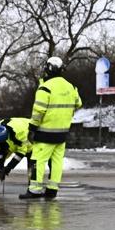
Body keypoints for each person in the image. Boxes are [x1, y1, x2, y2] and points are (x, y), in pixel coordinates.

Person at [22, 56, 82, 200]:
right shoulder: (71, 87)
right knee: (57, 162)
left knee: (38, 160)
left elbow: (38, 111)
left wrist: (32, 128)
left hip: (45, 133)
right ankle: (52, 190)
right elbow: (78, 103)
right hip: (62, 133)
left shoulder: (45, 88)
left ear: (47, 69)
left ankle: (35, 190)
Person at [0, 117, 32, 193]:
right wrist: (1, 168)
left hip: (30, 138)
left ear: (7, 136)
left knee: (32, 162)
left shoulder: (19, 134)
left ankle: (32, 187)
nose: (0, 143)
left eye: (3, 141)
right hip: (11, 142)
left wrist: (8, 168)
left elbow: (20, 154)